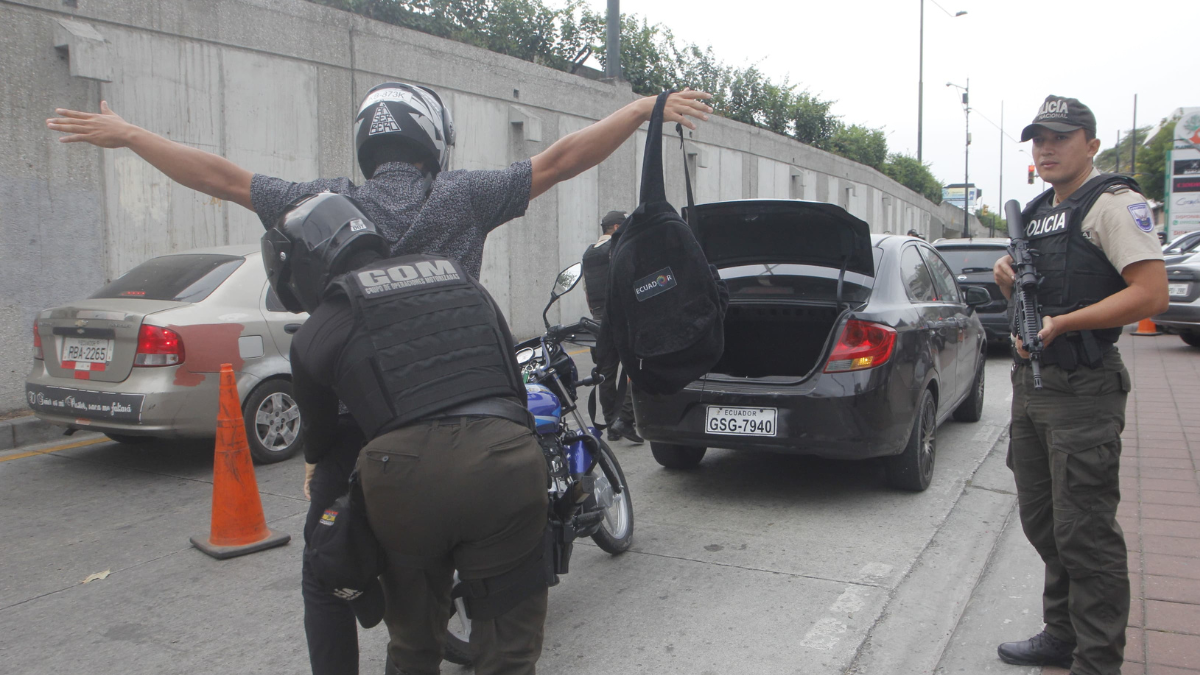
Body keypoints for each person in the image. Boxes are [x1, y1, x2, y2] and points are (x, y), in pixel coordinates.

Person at [48, 83, 712, 674]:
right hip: (468, 403)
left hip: (356, 428)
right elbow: (561, 160)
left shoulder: (327, 202)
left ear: (368, 145)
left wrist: (132, 134)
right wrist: (635, 110)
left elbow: (223, 178)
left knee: (325, 569)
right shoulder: (463, 195)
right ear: (432, 143)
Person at [992, 96, 1168, 675]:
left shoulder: (1114, 204)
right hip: (1034, 388)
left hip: (1084, 390)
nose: (1046, 147)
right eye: (1038, 138)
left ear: (1090, 144)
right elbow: (1034, 299)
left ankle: (1097, 661)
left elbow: (1150, 294)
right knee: (1044, 522)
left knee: (1085, 534)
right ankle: (1061, 635)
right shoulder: (1039, 211)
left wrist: (1066, 323)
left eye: (1060, 137)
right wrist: (1008, 286)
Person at [581, 210, 642, 444]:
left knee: (605, 374)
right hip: (620, 317)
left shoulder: (589, 253)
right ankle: (625, 418)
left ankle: (611, 426)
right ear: (616, 227)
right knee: (637, 368)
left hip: (597, 319)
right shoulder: (619, 246)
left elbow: (587, 290)